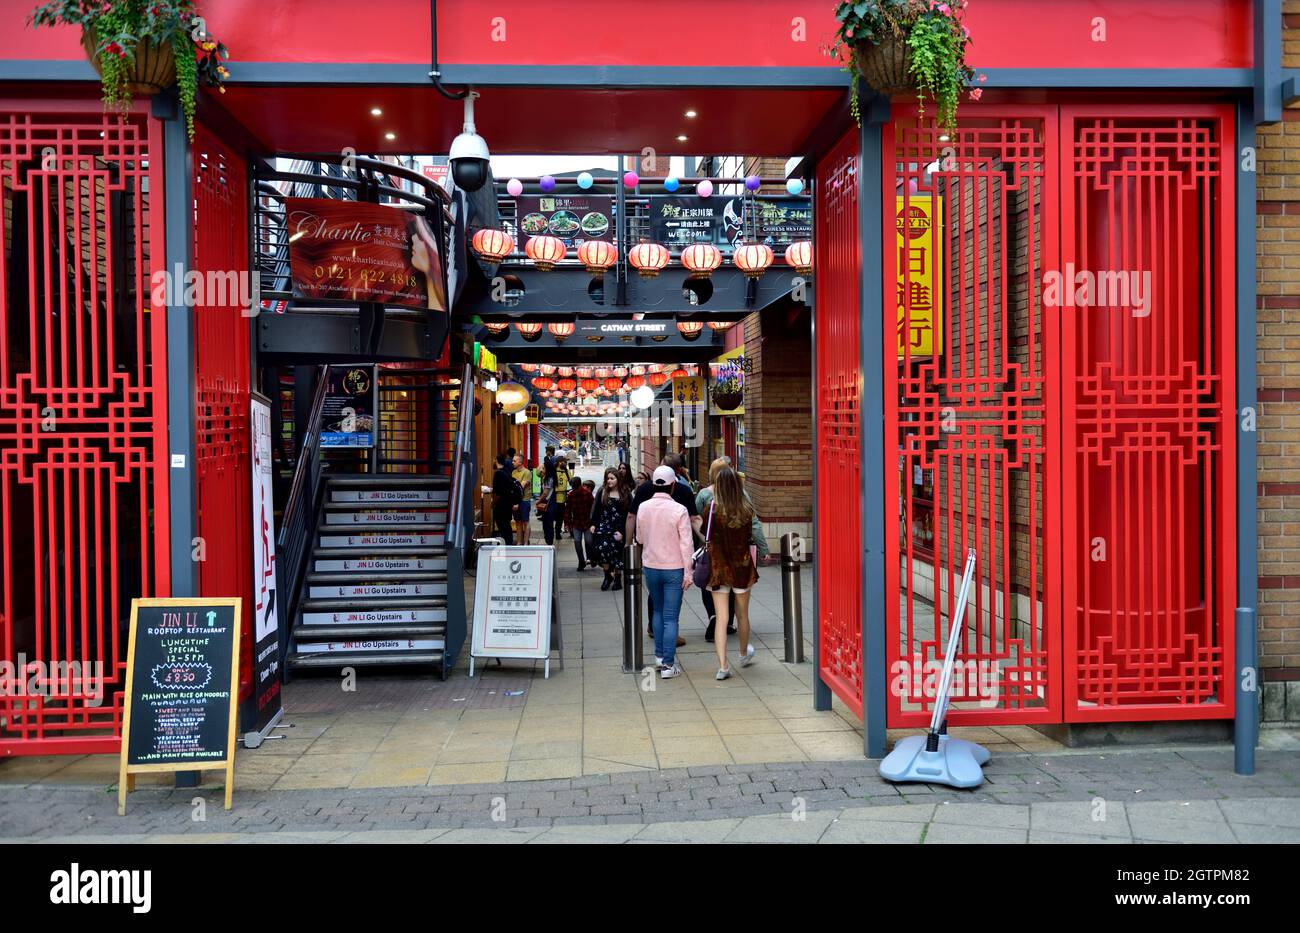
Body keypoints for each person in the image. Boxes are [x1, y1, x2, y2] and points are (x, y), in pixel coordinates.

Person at [627, 453, 701, 646]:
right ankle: (668, 650)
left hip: (651, 561)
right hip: (674, 564)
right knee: (671, 612)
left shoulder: (644, 492)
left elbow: (633, 522)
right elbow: (690, 533)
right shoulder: (683, 494)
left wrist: (628, 546)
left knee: (657, 604)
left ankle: (656, 636)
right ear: (675, 477)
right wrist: (706, 541)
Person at [696, 457, 769, 642]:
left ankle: (715, 617)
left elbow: (698, 521)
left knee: (713, 586)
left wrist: (700, 544)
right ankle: (730, 625)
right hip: (739, 557)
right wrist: (764, 549)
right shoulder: (742, 496)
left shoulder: (705, 496)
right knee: (737, 596)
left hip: (716, 555)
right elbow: (754, 524)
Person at [635, 465, 695, 678]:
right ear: (673, 485)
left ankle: (660, 657)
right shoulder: (680, 510)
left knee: (658, 612)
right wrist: (688, 572)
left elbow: (639, 538)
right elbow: (686, 544)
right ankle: (669, 665)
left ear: (653, 484)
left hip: (651, 566)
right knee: (671, 617)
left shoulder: (643, 507)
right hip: (674, 568)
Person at [704, 466, 760, 680]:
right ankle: (743, 654)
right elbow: (750, 534)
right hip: (741, 567)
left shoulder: (711, 508)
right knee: (742, 614)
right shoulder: (746, 509)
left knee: (721, 618)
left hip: (719, 568)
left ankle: (723, 666)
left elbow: (706, 533)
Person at [591, 468, 628, 590]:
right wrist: (593, 524)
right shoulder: (603, 492)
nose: (609, 481)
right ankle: (607, 576)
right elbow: (597, 509)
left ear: (618, 479)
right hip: (604, 527)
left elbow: (628, 514)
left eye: (612, 478)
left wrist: (622, 531)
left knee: (617, 554)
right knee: (603, 552)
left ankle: (617, 578)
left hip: (618, 528)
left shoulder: (624, 493)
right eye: (607, 478)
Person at [565, 475, 595, 570]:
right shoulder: (571, 495)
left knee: (588, 541)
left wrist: (594, 521)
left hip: (587, 522)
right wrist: (567, 523)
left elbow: (593, 507)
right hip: (577, 522)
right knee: (577, 542)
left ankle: (591, 558)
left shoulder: (587, 493)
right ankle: (581, 561)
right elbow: (568, 510)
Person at [490, 453, 520, 545]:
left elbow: (498, 492)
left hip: (501, 504)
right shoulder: (507, 472)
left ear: (497, 461)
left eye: (494, 460)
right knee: (507, 526)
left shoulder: (498, 474)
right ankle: (508, 543)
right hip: (508, 503)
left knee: (502, 526)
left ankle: (506, 544)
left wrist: (493, 503)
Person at [511, 453, 534, 544]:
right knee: (518, 522)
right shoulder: (513, 472)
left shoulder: (527, 472)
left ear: (520, 462)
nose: (512, 462)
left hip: (524, 500)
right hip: (515, 500)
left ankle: (525, 543)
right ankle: (519, 542)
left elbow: (520, 487)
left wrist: (516, 501)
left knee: (525, 521)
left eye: (514, 461)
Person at [536, 458, 558, 545]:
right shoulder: (549, 477)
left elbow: (545, 493)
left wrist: (538, 501)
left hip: (548, 504)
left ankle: (549, 541)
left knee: (548, 524)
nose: (542, 470)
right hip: (550, 503)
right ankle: (549, 540)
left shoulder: (549, 479)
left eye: (544, 468)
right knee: (548, 523)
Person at [551, 455, 571, 540]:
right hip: (553, 498)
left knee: (560, 518)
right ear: (559, 462)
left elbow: (571, 481)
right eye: (564, 462)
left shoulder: (566, 471)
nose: (565, 463)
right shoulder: (552, 471)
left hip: (562, 498)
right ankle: (550, 532)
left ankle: (557, 532)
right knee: (551, 517)